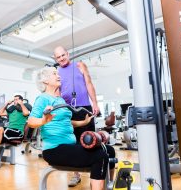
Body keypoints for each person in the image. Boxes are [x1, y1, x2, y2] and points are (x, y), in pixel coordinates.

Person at [28, 67, 109, 190]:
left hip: (69, 146)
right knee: (99, 156)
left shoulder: (60, 99)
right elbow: (31, 121)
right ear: (45, 81)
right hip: (54, 150)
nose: (58, 75)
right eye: (54, 74)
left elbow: (67, 122)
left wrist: (84, 122)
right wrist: (44, 120)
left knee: (108, 150)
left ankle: (110, 186)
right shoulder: (43, 98)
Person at [53, 46, 116, 186]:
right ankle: (76, 175)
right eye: (58, 57)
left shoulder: (79, 65)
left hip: (84, 107)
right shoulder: (56, 72)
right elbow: (57, 92)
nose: (62, 58)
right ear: (55, 59)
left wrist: (95, 103)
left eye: (63, 55)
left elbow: (88, 83)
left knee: (90, 139)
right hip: (68, 109)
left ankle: (96, 171)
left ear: (68, 54)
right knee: (72, 141)